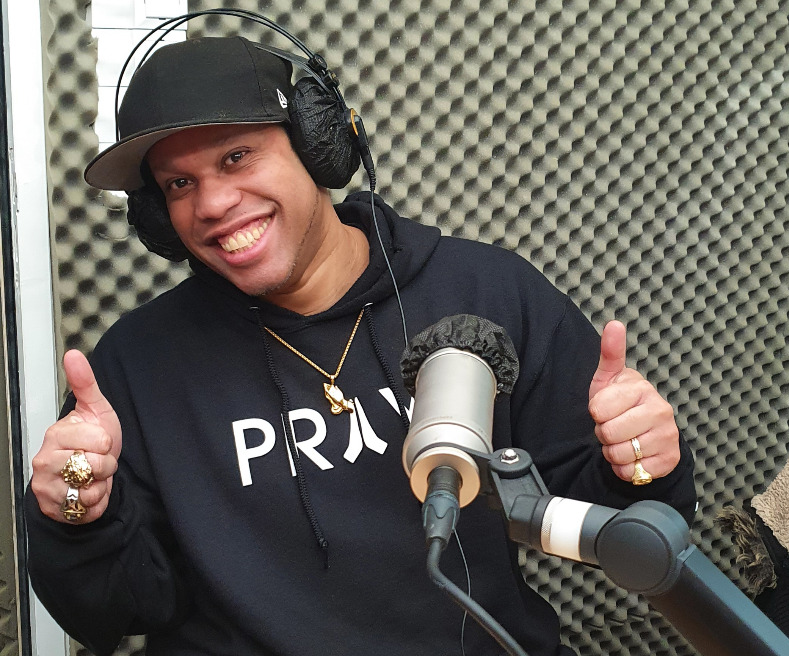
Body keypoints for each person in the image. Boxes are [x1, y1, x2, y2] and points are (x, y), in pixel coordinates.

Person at [25, 32, 696, 656]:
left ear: (318, 146)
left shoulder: (486, 291)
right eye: (179, 184)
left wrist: (640, 463)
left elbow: (616, 525)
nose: (213, 204)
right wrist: (76, 519)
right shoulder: (136, 365)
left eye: (236, 156)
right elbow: (113, 615)